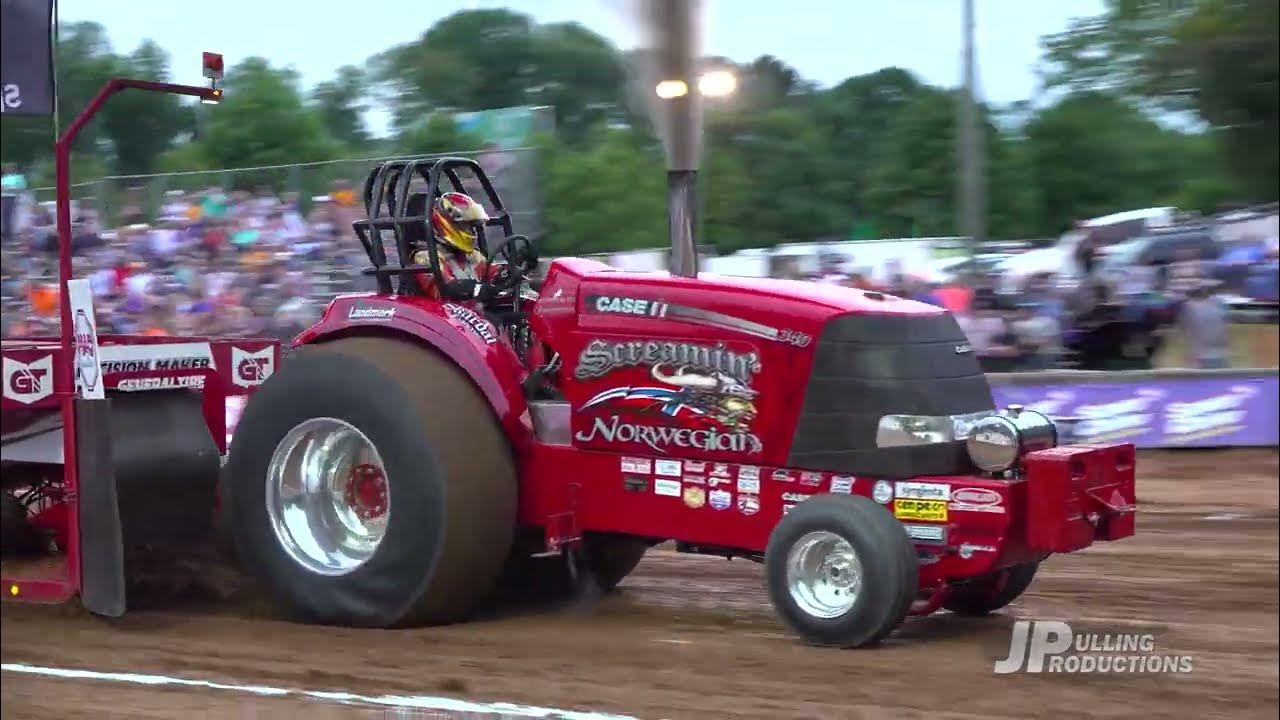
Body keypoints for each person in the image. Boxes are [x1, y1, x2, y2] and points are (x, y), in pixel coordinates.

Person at [412, 191, 503, 302]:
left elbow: (492, 272)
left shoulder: (472, 256)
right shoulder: (426, 257)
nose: (472, 231)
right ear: (449, 224)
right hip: (437, 310)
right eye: (466, 225)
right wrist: (475, 289)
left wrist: (507, 274)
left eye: (472, 226)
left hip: (469, 309)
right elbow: (445, 289)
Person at [1179, 279, 1230, 369]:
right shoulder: (1217, 303)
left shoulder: (1189, 307)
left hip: (1203, 355)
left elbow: (1187, 330)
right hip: (1218, 353)